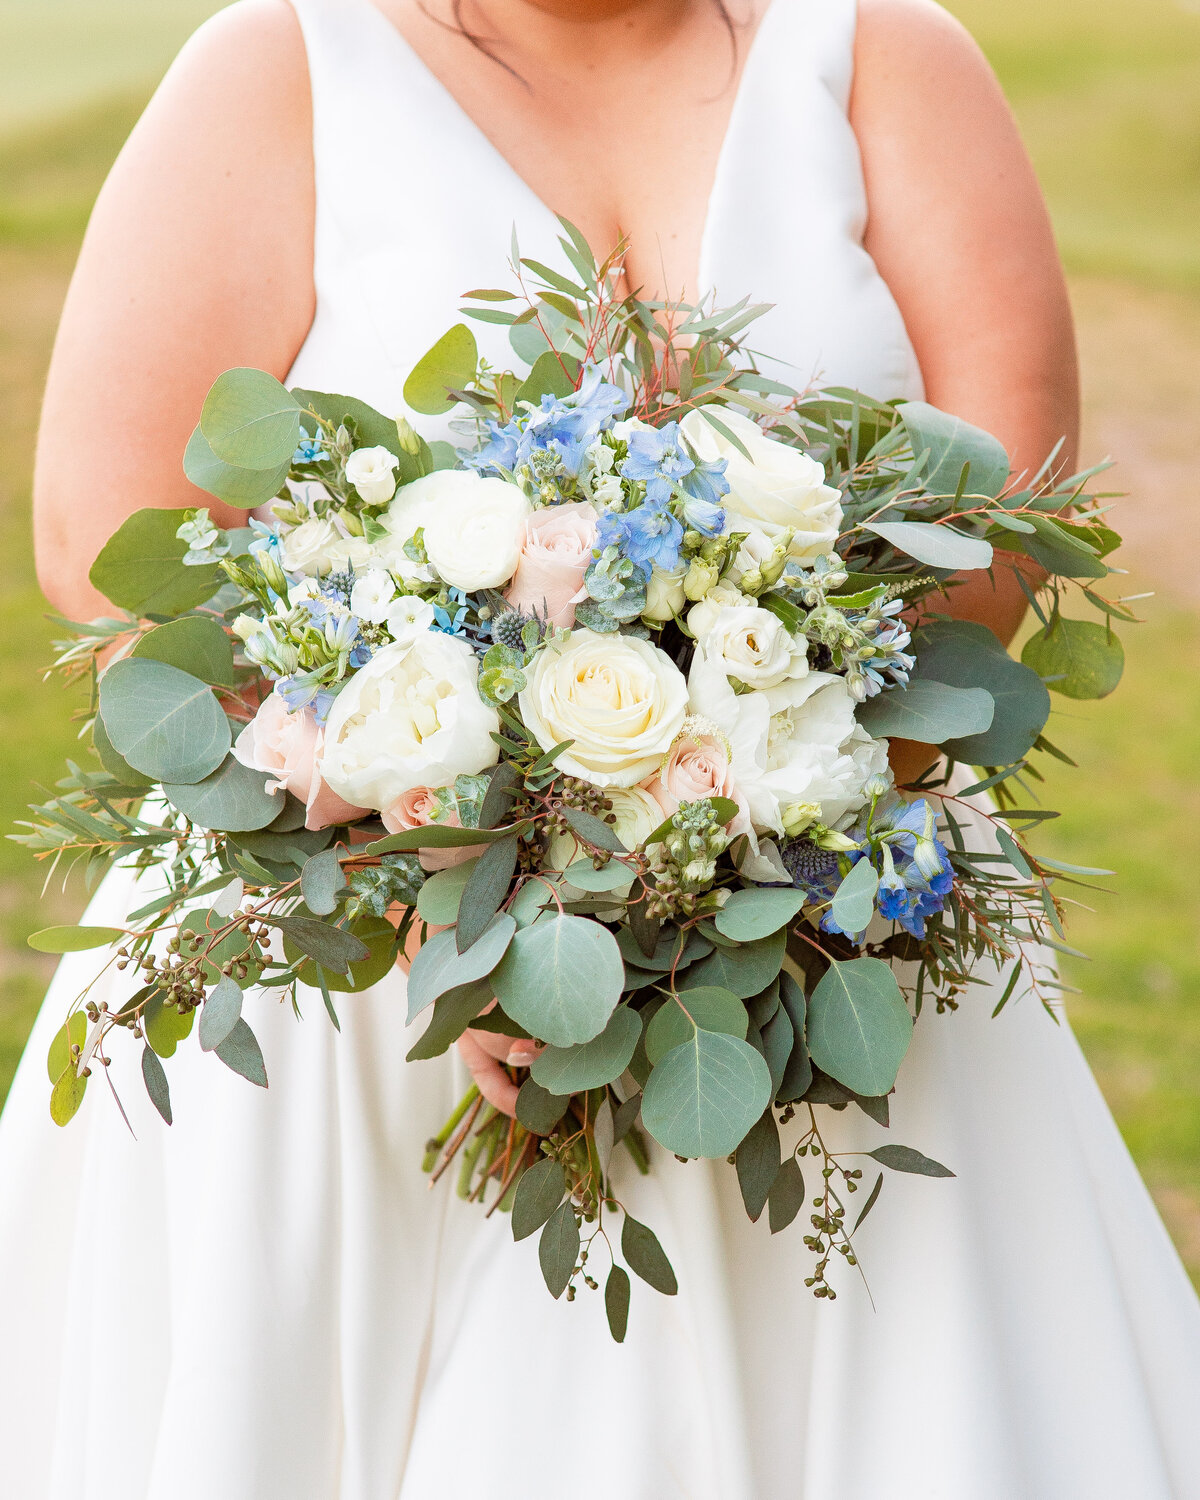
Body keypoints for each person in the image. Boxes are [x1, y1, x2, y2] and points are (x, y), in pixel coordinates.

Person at [4, 1, 1199, 1495]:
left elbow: (1011, 516)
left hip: (817, 929)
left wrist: (715, 835)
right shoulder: (282, 61)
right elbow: (103, 537)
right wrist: (440, 902)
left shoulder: (886, 52)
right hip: (348, 967)